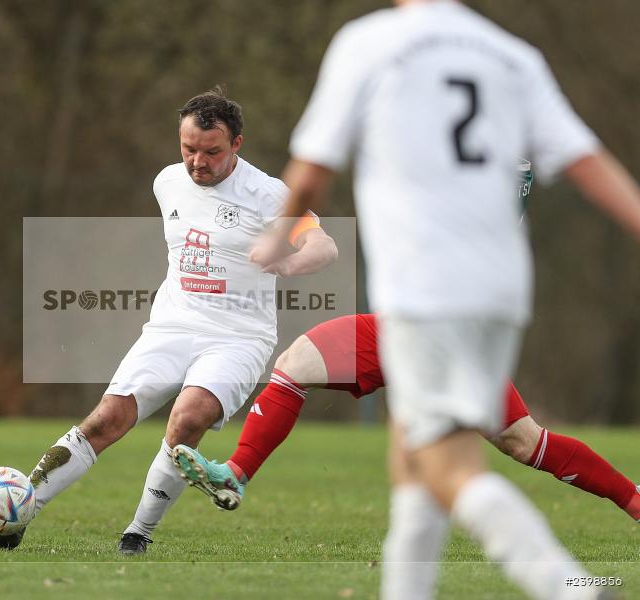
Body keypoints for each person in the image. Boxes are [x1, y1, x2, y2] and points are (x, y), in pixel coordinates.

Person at [244, 1, 640, 599]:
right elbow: (585, 160)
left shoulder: (369, 42)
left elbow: (312, 171)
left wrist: (278, 235)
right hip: (502, 291)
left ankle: (569, 586)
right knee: (413, 461)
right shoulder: (511, 53)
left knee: (447, 465)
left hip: (426, 288)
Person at [0, 87, 339, 553]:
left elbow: (324, 247)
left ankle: (138, 533)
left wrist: (288, 261)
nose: (198, 161)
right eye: (189, 149)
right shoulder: (167, 182)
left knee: (187, 419)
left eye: (212, 151)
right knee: (105, 420)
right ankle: (17, 517)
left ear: (237, 144)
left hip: (238, 338)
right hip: (171, 327)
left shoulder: (269, 195)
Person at [172, 313, 640, 525]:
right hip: (396, 327)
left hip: (451, 341)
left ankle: (633, 501)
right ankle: (235, 474)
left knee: (523, 443)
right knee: (296, 362)